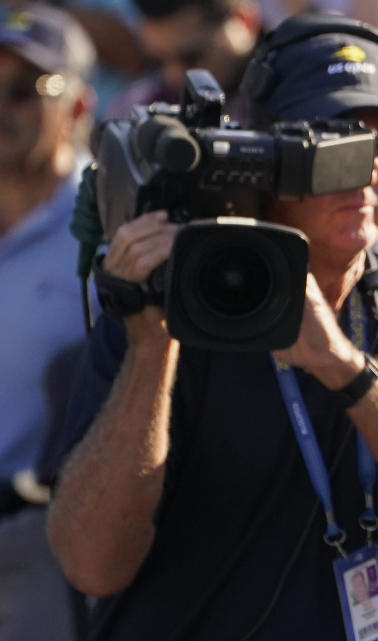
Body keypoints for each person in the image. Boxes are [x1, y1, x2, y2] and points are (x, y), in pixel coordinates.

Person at [46, 13, 378, 641]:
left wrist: (346, 371)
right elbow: (90, 566)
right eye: (334, 137)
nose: (364, 166)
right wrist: (153, 346)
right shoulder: (159, 316)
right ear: (262, 157)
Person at [0, 5, 96, 641]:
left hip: (42, 552)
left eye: (25, 89)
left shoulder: (112, 227)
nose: (0, 107)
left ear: (80, 110)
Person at [106, 0, 262, 120]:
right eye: (156, 62)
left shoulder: (283, 91)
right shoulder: (137, 107)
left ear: (245, 21)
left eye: (191, 58)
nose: (172, 76)